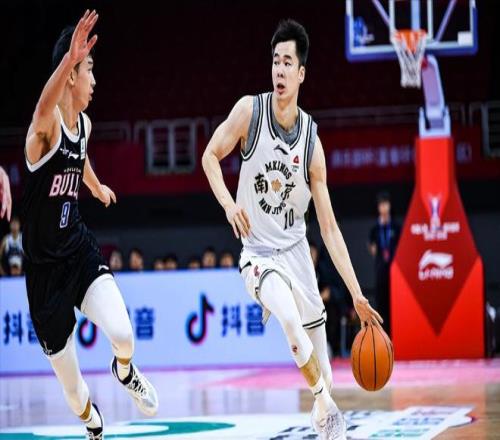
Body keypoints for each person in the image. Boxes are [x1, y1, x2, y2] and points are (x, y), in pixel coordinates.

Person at [202, 19, 381, 440]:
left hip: (297, 255)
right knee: (287, 319)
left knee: (325, 376)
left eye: (287, 63)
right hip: (258, 254)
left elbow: (330, 229)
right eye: (275, 61)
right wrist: (228, 204)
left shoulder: (312, 144)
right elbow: (210, 156)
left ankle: (323, 408)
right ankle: (327, 407)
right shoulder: (250, 112)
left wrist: (356, 294)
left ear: (301, 73)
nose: (279, 70)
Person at [20, 11, 157, 439]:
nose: (95, 81)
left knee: (124, 334)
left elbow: (79, 161)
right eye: (89, 70)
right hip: (44, 273)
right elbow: (43, 107)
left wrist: (95, 187)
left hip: (77, 250)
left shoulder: (86, 125)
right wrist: (69, 59)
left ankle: (124, 370)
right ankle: (92, 422)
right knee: (74, 391)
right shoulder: (43, 130)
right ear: (70, 76)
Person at [368, 191, 401, 337]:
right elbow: (372, 248)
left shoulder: (396, 227)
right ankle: (383, 339)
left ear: (389, 205)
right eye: (381, 204)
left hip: (395, 274)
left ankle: (395, 338)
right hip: (380, 273)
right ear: (378, 207)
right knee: (381, 307)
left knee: (395, 306)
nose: (383, 207)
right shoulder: (375, 229)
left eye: (385, 204)